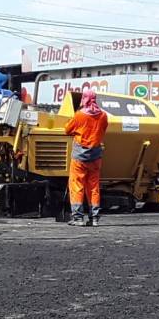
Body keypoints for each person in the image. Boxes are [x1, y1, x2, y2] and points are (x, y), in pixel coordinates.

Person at [64, 89, 109, 227]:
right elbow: (103, 129)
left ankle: (78, 218)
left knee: (77, 186)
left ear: (85, 99)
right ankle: (94, 218)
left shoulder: (79, 115)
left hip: (79, 157)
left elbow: (67, 130)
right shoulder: (103, 115)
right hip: (95, 157)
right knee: (93, 187)